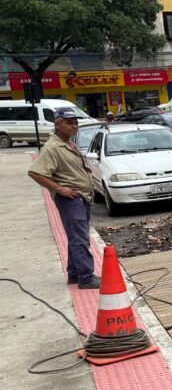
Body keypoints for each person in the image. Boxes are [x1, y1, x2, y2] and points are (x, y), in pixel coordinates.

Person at [27, 109, 101, 288]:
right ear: (57, 124)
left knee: (76, 237)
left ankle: (75, 274)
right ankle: (86, 277)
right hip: (70, 200)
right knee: (80, 238)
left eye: (75, 122)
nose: (74, 126)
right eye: (69, 122)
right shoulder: (53, 147)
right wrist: (60, 189)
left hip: (81, 197)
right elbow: (35, 172)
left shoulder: (68, 143)